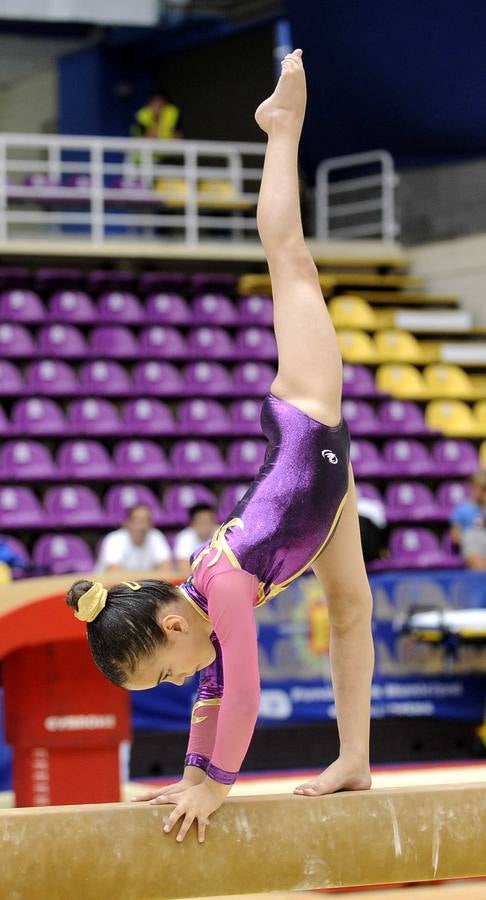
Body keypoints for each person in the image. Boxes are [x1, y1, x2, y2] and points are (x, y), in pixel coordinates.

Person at [67, 50, 373, 843]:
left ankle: (281, 127)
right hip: (324, 495)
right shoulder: (200, 605)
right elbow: (213, 692)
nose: (180, 681)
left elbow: (243, 698)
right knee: (350, 612)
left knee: (291, 262)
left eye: (164, 673)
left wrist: (220, 788)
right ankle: (355, 759)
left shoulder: (224, 590)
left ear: (172, 628)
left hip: (308, 420)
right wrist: (192, 776)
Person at [96, 504, 173, 577]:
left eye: (146, 520)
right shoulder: (114, 539)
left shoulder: (156, 536)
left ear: (151, 524)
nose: (141, 525)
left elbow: (166, 569)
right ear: (126, 522)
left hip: (145, 584)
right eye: (137, 520)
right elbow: (114, 572)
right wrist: (150, 576)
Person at [174, 504, 219, 579]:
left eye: (208, 521)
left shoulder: (223, 534)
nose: (205, 525)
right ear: (192, 523)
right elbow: (184, 569)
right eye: (201, 522)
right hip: (193, 580)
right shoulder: (184, 537)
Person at [450, 470, 486, 553]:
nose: (483, 493)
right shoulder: (462, 509)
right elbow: (455, 537)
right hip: (471, 546)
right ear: (472, 487)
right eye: (482, 489)